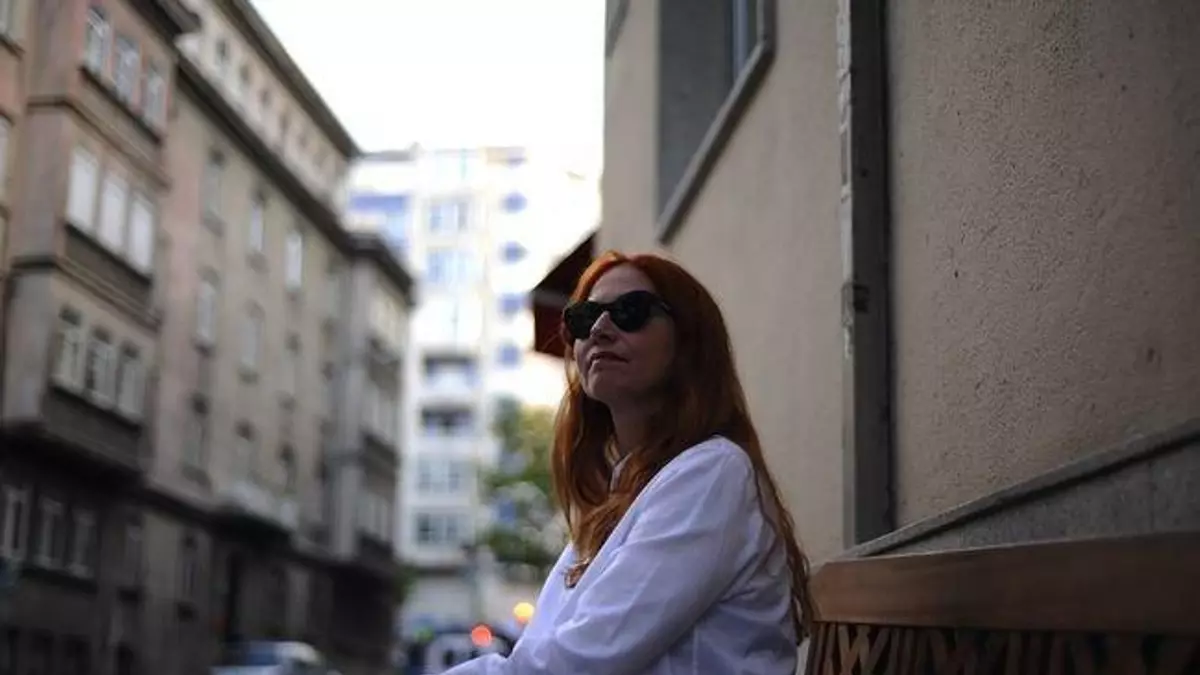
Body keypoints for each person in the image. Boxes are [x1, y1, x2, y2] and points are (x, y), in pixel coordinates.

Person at [445, 251, 812, 674]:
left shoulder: (712, 475)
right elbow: (542, 653)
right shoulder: (624, 497)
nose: (600, 329)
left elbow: (573, 663)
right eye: (584, 318)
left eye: (630, 311)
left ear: (689, 341)